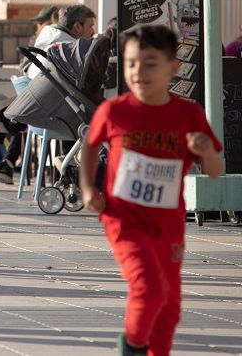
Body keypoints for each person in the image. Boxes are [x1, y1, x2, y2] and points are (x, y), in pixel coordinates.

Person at [80, 25, 223, 356]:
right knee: (149, 289)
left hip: (168, 227)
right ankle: (131, 347)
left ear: (174, 66)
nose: (138, 72)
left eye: (150, 63)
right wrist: (88, 187)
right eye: (130, 63)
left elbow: (215, 172)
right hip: (123, 221)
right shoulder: (114, 111)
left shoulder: (188, 114)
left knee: (169, 310)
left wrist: (207, 152)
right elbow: (90, 145)